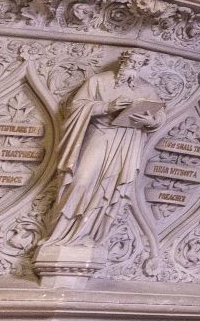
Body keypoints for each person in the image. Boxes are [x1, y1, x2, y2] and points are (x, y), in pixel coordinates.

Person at [45, 51, 164, 247]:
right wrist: (107, 107)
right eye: (132, 61)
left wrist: (151, 121)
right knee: (81, 180)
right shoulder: (99, 81)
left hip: (126, 141)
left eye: (139, 63)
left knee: (108, 189)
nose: (134, 66)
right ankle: (61, 235)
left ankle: (88, 235)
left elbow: (159, 115)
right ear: (123, 61)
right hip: (100, 135)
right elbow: (76, 106)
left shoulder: (146, 88)